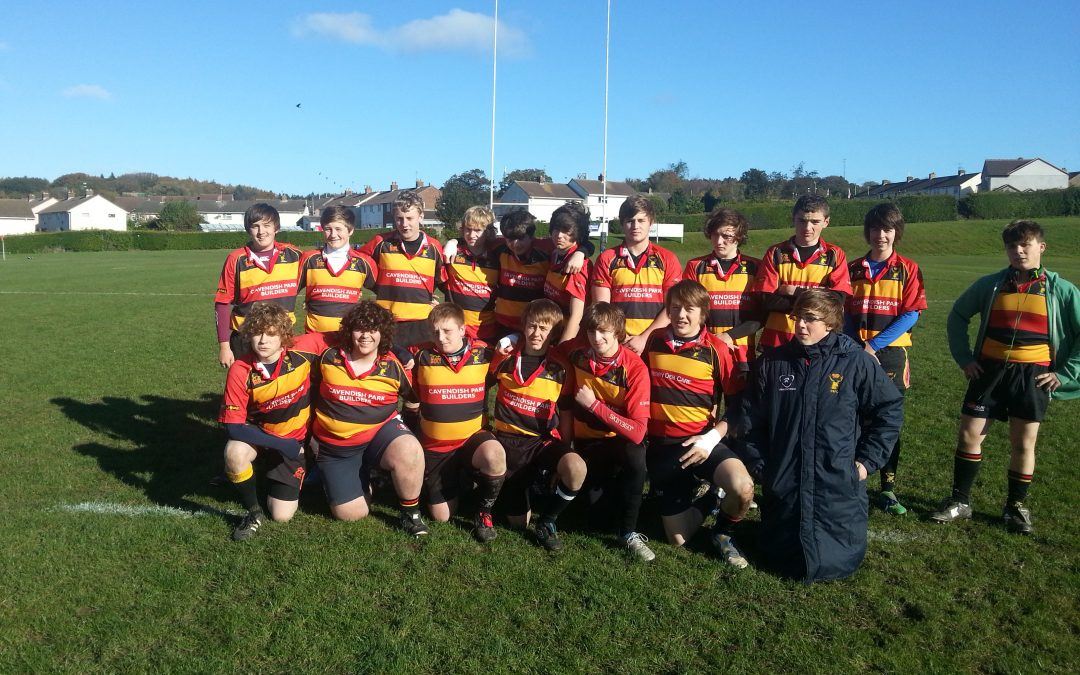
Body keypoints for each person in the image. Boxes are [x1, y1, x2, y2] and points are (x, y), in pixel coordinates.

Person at [740, 289, 903, 582]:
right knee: (779, 553)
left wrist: (866, 461)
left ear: (830, 323)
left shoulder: (856, 362)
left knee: (834, 557)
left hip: (837, 480)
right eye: (797, 317)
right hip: (785, 480)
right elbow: (750, 421)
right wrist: (762, 466)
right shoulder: (773, 363)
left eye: (810, 319)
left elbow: (888, 410)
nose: (800, 325)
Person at [931, 219, 1080, 534]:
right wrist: (965, 358)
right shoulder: (992, 284)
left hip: (1034, 376)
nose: (1018, 251)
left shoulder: (1061, 289)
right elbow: (958, 316)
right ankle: (960, 501)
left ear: (1041, 247)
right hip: (988, 371)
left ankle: (1015, 507)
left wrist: (1065, 373)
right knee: (969, 435)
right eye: (1012, 246)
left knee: (1023, 443)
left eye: (1026, 244)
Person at [643, 280, 755, 568]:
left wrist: (710, 439)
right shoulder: (654, 341)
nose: (681, 315)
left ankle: (723, 532)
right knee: (678, 540)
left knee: (743, 488)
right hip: (663, 449)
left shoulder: (716, 349)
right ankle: (711, 499)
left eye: (689, 309)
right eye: (675, 308)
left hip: (702, 443)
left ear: (703, 313)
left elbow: (739, 408)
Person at [310, 301, 429, 536]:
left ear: (382, 333)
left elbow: (414, 398)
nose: (365, 336)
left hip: (380, 432)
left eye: (373, 329)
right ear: (349, 331)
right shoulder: (327, 358)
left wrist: (408, 429)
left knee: (410, 449)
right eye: (359, 329)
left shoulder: (393, 365)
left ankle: (411, 514)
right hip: (338, 447)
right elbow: (311, 390)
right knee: (351, 514)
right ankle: (363, 474)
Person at [219, 302, 329, 541]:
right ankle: (253, 512)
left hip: (294, 437)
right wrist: (283, 445)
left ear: (284, 335)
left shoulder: (304, 348)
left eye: (271, 334)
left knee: (281, 515)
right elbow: (234, 426)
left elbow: (349, 335)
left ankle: (291, 466)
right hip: (262, 436)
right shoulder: (240, 369)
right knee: (234, 453)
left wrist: (400, 352)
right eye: (257, 333)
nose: (263, 340)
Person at [844, 203, 927, 515]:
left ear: (897, 232)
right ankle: (855, 480)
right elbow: (843, 310)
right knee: (852, 419)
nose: (881, 235)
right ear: (868, 231)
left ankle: (888, 489)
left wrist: (874, 346)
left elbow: (911, 314)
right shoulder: (852, 269)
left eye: (887, 229)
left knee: (886, 422)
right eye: (876, 229)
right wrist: (858, 345)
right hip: (853, 352)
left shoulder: (908, 268)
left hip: (890, 355)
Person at [560, 303, 654, 560]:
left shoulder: (634, 369)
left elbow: (636, 432)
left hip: (619, 444)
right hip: (586, 446)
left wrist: (594, 406)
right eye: (592, 331)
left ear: (618, 333)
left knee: (637, 454)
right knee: (595, 521)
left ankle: (629, 532)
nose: (596, 338)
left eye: (604, 332)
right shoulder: (576, 352)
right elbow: (548, 352)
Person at [410, 303, 507, 542]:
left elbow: (509, 365)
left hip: (472, 440)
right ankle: (463, 480)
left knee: (495, 455)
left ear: (463, 329)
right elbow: (411, 401)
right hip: (435, 447)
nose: (440, 338)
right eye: (435, 332)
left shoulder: (484, 353)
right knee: (442, 516)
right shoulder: (421, 357)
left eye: (447, 331)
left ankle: (484, 512)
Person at [490, 299, 578, 551]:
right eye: (531, 326)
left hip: (541, 444)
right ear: (523, 327)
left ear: (554, 333)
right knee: (517, 523)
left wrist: (566, 448)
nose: (536, 333)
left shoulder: (561, 367)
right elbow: (480, 388)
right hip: (507, 442)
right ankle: (519, 484)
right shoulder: (505, 358)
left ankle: (548, 521)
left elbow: (567, 412)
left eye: (544, 328)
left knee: (575, 468)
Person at [756, 195, 851, 351]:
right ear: (793, 219)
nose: (807, 228)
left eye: (815, 222)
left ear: (826, 222)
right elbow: (767, 300)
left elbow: (837, 300)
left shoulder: (834, 255)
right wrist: (818, 300)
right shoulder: (776, 252)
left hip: (819, 342)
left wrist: (793, 291)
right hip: (778, 341)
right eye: (802, 221)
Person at [214, 203, 303, 367]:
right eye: (255, 226)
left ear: (276, 227)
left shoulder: (294, 255)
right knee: (246, 388)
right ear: (249, 229)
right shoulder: (236, 259)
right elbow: (221, 303)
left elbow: (319, 273)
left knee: (282, 387)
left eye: (267, 225)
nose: (261, 232)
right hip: (246, 339)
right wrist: (224, 346)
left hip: (282, 336)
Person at [591, 196, 682, 354]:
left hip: (656, 342)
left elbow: (672, 307)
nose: (635, 226)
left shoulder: (668, 259)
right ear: (622, 224)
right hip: (617, 343)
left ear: (651, 223)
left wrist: (645, 337)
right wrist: (622, 337)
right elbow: (602, 309)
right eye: (629, 221)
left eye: (641, 220)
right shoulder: (606, 259)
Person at [357, 191, 446, 348]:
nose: (404, 224)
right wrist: (375, 287)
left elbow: (442, 279)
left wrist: (428, 298)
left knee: (421, 369)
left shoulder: (434, 247)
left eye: (410, 218)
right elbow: (357, 262)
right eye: (399, 218)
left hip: (422, 323)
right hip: (387, 321)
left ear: (421, 217)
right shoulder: (381, 242)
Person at [682, 208, 762, 370]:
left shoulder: (756, 267)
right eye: (715, 234)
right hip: (704, 351)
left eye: (726, 236)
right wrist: (710, 340)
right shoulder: (695, 266)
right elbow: (687, 311)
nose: (719, 241)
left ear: (739, 237)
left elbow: (761, 315)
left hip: (743, 355)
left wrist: (728, 336)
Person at [298, 205, 378, 333]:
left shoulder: (364, 262)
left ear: (351, 230)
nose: (333, 234)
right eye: (328, 229)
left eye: (338, 229)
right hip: (314, 338)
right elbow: (290, 293)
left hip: (348, 339)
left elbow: (384, 293)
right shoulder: (309, 259)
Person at [442, 205, 501, 342]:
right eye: (468, 229)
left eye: (478, 230)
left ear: (487, 232)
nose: (472, 235)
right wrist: (452, 241)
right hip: (455, 330)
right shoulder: (453, 252)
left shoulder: (497, 256)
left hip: (486, 330)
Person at [543, 202, 592, 343]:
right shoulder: (555, 253)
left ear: (578, 233)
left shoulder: (577, 267)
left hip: (567, 338)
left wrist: (562, 350)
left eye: (566, 231)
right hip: (550, 332)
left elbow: (577, 316)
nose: (559, 235)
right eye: (556, 229)